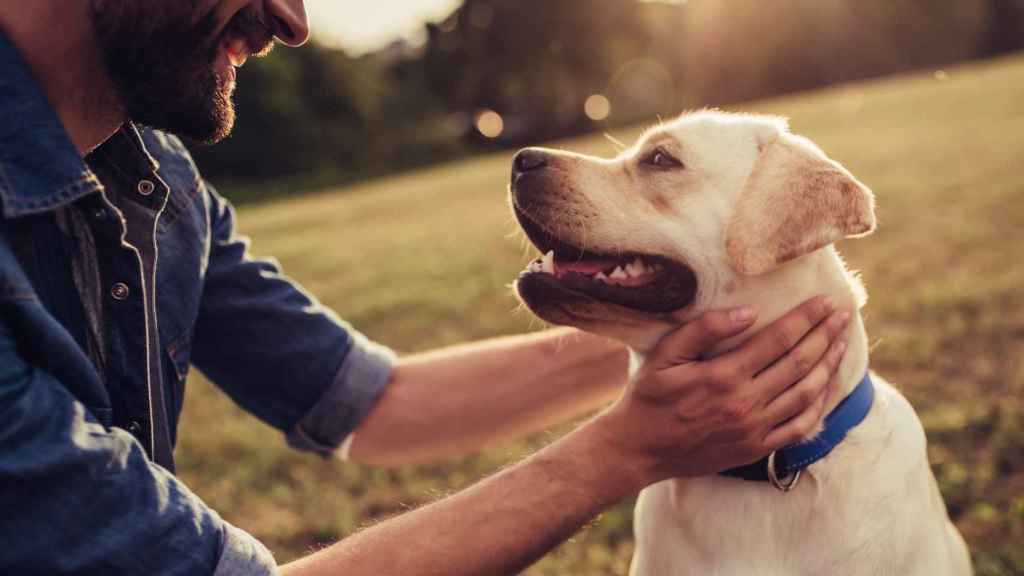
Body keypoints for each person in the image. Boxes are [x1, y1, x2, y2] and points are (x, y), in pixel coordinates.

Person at [0, 1, 850, 574]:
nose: (292, 20)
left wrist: (698, 333)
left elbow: (378, 403)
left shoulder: (154, 181)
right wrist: (630, 447)